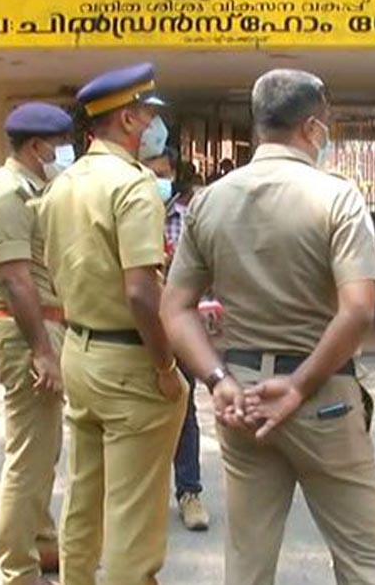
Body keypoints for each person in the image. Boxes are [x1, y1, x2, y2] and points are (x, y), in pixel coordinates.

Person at [161, 68, 375, 585]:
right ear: (313, 128)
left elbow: (174, 308)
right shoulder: (336, 197)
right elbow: (357, 309)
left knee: (247, 563)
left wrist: (217, 380)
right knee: (364, 562)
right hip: (321, 396)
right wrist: (298, 386)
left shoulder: (209, 201)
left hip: (241, 396)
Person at [35, 62, 187, 585]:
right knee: (134, 518)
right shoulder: (133, 185)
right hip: (130, 360)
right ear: (125, 119)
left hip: (79, 348)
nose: (151, 127)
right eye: (146, 116)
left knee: (84, 496)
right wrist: (166, 365)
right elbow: (142, 291)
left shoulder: (63, 184)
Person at [0, 102, 73, 585]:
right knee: (29, 458)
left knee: (44, 451)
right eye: (56, 145)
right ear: (37, 147)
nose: (62, 152)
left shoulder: (33, 188)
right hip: (24, 331)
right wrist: (42, 351)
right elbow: (17, 281)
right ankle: (18, 569)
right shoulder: (10, 195)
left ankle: (41, 544)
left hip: (41, 326)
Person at [161, 159, 210, 532]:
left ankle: (189, 491)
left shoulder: (193, 217)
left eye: (162, 172)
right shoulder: (132, 210)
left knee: (184, 408)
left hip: (179, 325)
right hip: (135, 327)